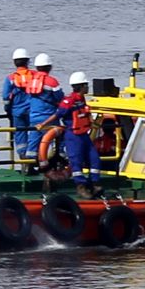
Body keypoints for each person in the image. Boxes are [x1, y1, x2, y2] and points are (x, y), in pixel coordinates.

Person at [37, 71, 101, 199]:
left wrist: (92, 122)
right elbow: (58, 114)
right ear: (81, 86)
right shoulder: (69, 101)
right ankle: (81, 186)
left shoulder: (81, 99)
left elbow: (85, 113)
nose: (88, 87)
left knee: (94, 158)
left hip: (84, 135)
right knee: (76, 162)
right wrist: (43, 124)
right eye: (86, 85)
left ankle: (95, 184)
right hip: (73, 136)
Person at [25, 52, 64, 161]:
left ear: (37, 67)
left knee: (33, 142)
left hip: (33, 117)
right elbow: (60, 97)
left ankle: (29, 164)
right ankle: (58, 159)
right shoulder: (52, 82)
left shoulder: (31, 81)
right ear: (50, 67)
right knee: (58, 138)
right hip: (49, 118)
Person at [1, 48, 33, 159]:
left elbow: (5, 97)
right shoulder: (34, 76)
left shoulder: (10, 78)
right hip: (32, 110)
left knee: (19, 133)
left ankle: (23, 157)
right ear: (28, 61)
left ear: (14, 62)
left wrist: (7, 109)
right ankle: (34, 156)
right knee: (35, 133)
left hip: (17, 111)